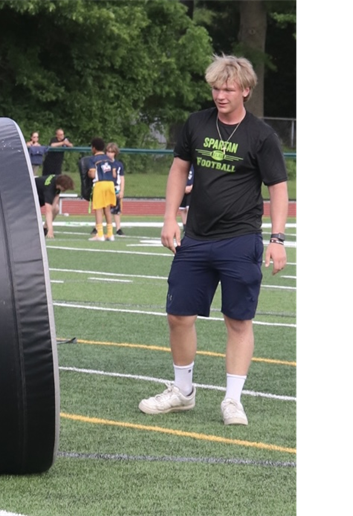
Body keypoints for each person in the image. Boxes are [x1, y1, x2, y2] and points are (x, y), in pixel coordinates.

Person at [138, 55, 288, 426]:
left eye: (228, 89)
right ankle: (183, 392)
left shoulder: (262, 135)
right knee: (178, 315)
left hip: (240, 239)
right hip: (197, 238)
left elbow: (279, 189)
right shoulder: (196, 124)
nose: (220, 95)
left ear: (245, 91)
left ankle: (233, 400)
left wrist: (278, 238)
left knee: (238, 320)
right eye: (216, 88)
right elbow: (178, 171)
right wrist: (170, 218)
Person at [86, 137, 117, 242]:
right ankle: (110, 233)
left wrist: (88, 174)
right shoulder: (109, 159)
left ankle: (99, 234)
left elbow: (92, 173)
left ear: (94, 148)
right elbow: (113, 173)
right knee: (107, 209)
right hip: (110, 184)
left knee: (98, 209)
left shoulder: (93, 159)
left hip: (100, 184)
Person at [34, 173, 75, 238]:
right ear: (61, 185)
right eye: (65, 188)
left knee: (56, 209)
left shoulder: (57, 180)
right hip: (32, 197)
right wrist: (51, 230)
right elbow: (48, 211)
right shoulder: (49, 188)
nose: (65, 190)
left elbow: (56, 196)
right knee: (46, 212)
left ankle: (44, 228)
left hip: (41, 194)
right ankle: (46, 230)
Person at [106, 142, 126, 236]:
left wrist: (121, 190)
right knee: (103, 208)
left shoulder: (118, 165)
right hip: (105, 188)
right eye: (108, 152)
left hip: (115, 188)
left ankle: (118, 228)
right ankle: (98, 227)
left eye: (112, 152)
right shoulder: (103, 163)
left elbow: (121, 178)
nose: (109, 154)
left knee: (116, 210)